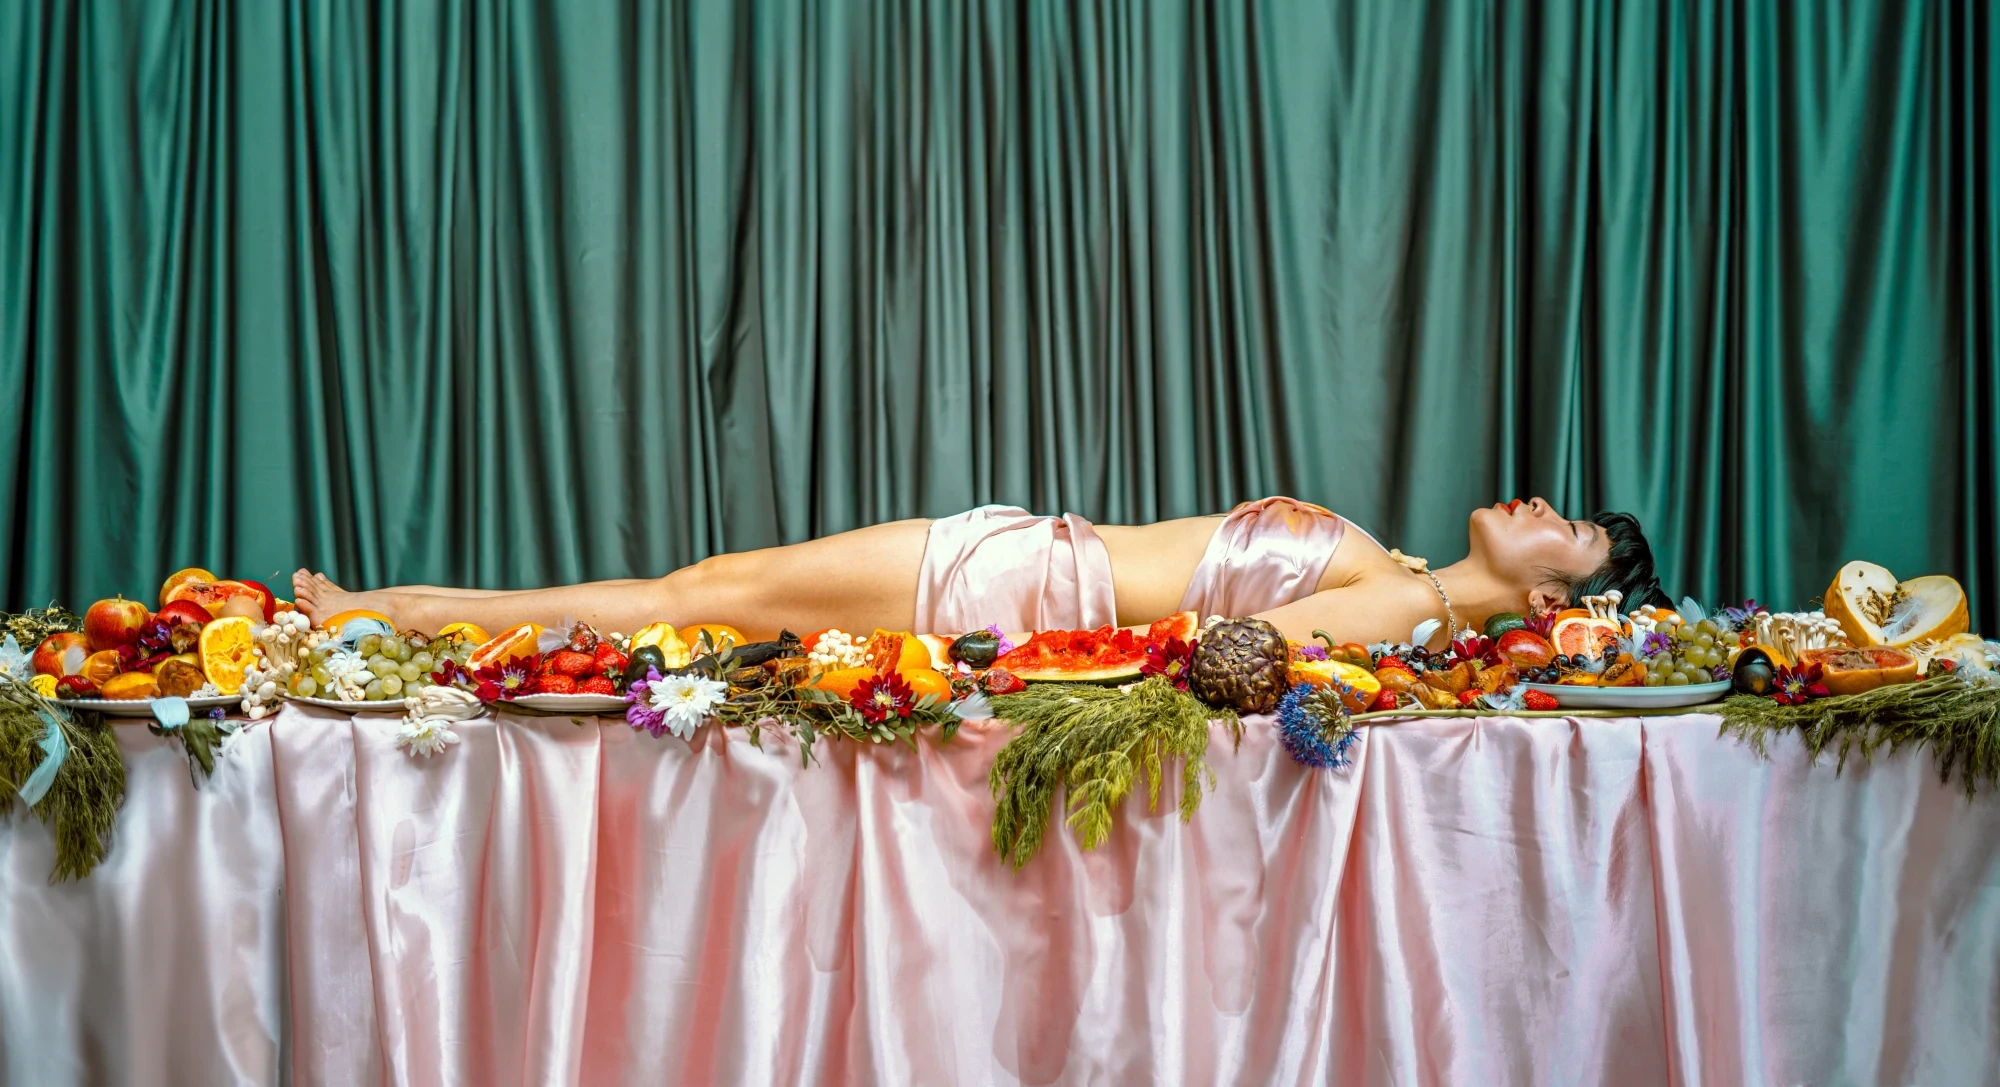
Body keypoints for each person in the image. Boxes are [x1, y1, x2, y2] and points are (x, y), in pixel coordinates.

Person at [290, 496, 1670, 648]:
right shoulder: (1400, 574)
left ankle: (399, 614)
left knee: (686, 602)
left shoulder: (1409, 601)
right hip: (1019, 563)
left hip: (1011, 589)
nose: (1544, 503)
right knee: (691, 599)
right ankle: (405, 613)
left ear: (1557, 602)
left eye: (1572, 531)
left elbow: (1237, 657)